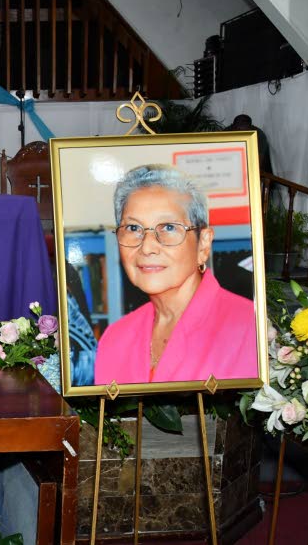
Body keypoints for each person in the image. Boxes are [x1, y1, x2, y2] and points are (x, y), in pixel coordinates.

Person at [92, 164, 258, 386]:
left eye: (169, 227)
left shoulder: (250, 328)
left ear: (203, 243)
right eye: (133, 228)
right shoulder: (115, 338)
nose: (147, 247)